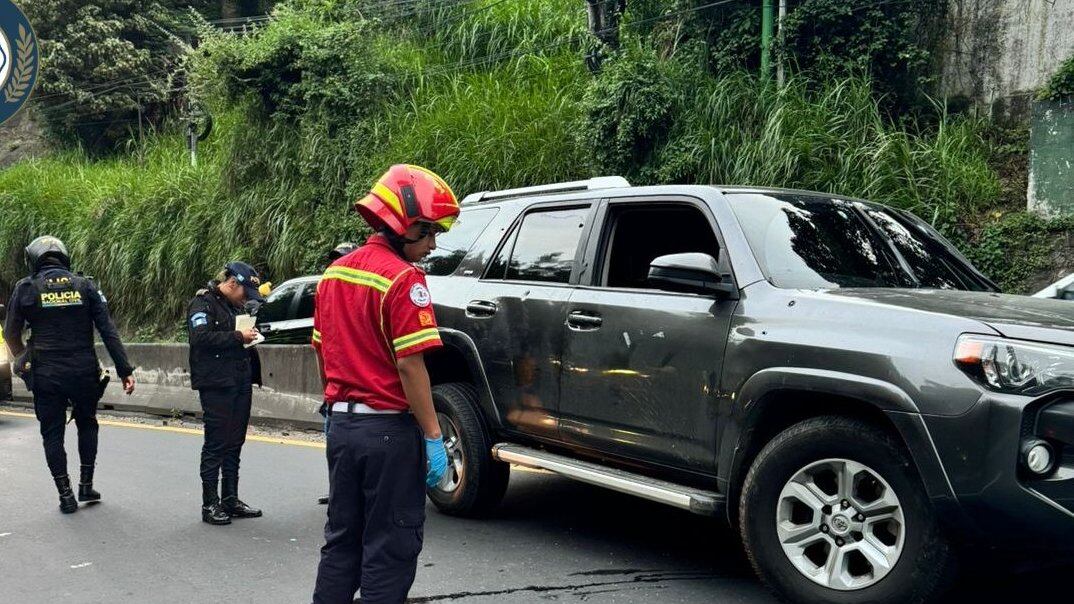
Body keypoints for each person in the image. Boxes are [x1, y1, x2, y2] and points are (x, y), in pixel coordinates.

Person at [311, 164, 455, 604]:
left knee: (342, 542)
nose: (433, 244)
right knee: (390, 548)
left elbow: (323, 351)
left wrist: (332, 407)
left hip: (343, 429)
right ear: (401, 223)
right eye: (428, 231)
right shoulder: (403, 279)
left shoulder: (334, 274)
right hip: (388, 433)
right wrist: (434, 436)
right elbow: (412, 367)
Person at [3, 236, 136, 514]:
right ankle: (86, 485)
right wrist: (125, 370)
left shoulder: (26, 288)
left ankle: (65, 495)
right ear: (64, 257)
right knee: (87, 423)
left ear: (34, 259)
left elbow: (10, 334)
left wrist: (23, 358)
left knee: (52, 434)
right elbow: (108, 331)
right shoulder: (85, 286)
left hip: (47, 373)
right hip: (83, 371)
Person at [187, 261, 266, 525]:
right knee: (216, 444)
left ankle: (230, 499)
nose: (246, 299)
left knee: (235, 442)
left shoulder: (236, 306)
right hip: (216, 383)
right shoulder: (203, 304)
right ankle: (210, 504)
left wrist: (250, 335)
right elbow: (200, 338)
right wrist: (236, 336)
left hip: (240, 380)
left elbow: (240, 337)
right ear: (232, 283)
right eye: (245, 292)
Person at [317, 241, 359, 506]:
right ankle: (338, 491)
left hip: (363, 396)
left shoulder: (363, 296)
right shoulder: (327, 292)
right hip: (337, 392)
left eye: (341, 259)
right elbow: (320, 348)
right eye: (334, 260)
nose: (336, 265)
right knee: (334, 446)